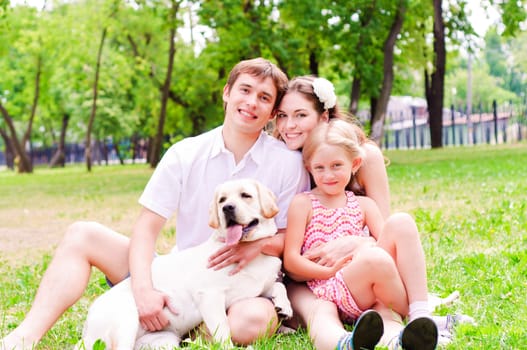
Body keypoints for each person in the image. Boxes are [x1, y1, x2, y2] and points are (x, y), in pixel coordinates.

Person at [1, 57, 311, 350]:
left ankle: (178, 330)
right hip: (175, 274)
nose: (251, 102)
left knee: (256, 321)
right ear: (227, 93)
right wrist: (144, 290)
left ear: (272, 112)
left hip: (242, 282)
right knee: (83, 234)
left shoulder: (287, 163)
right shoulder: (185, 153)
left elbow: (290, 237)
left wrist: (254, 246)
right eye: (244, 90)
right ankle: (25, 337)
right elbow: (146, 230)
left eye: (264, 97)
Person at [274, 76, 445, 349]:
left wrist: (360, 246)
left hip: (364, 273)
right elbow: (291, 259)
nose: (288, 125)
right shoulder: (283, 167)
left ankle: (415, 324)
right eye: (282, 115)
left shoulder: (362, 167)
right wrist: (323, 270)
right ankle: (346, 343)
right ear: (309, 166)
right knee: (322, 313)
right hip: (314, 282)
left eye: (300, 115)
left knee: (386, 305)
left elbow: (386, 235)